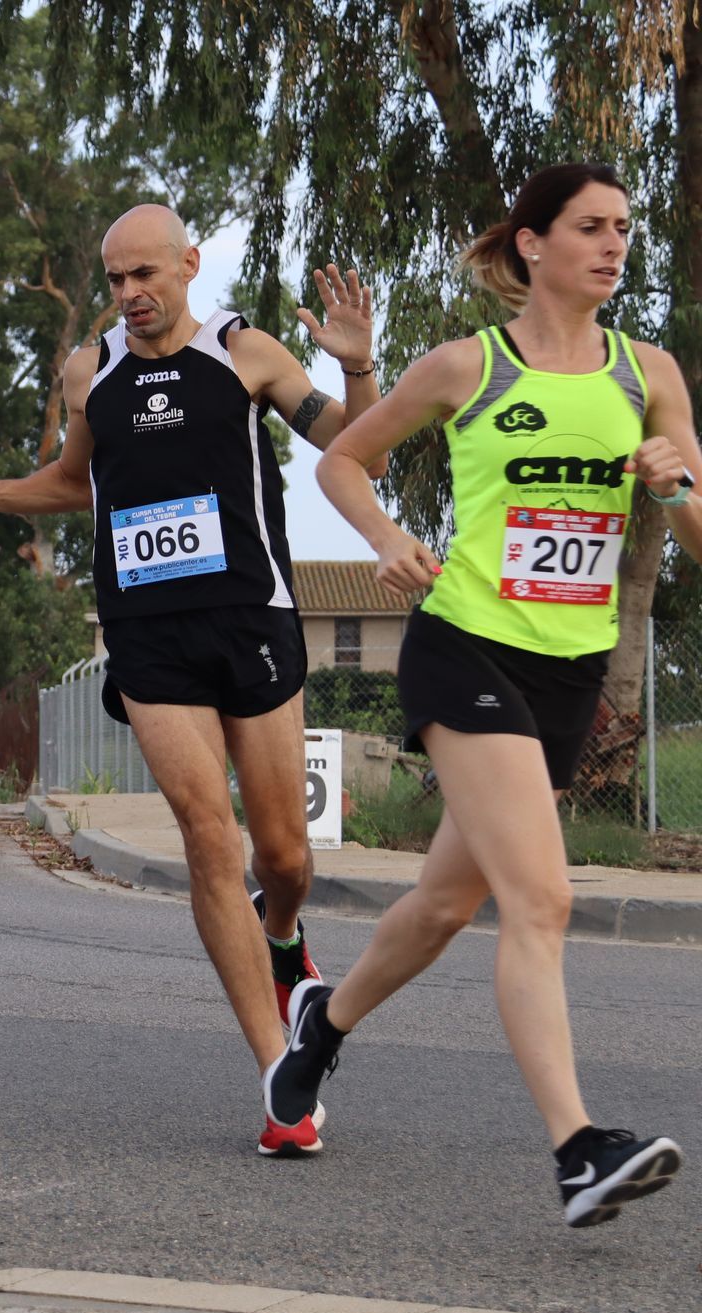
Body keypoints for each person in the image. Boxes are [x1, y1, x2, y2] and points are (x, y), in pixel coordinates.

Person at [0, 207, 379, 1152]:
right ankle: (278, 1077)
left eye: (145, 275)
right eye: (116, 278)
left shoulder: (245, 352)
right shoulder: (92, 372)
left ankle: (284, 937)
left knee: (283, 857)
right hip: (146, 631)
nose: (129, 294)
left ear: (188, 264)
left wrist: (358, 367)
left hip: (251, 616)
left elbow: (354, 441)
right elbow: (74, 481)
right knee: (209, 835)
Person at [278, 162, 689, 1222]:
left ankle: (319, 1026)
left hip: (568, 672)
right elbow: (341, 462)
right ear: (531, 244)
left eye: (623, 228)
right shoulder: (469, 365)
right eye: (589, 226)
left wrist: (676, 482)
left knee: (443, 904)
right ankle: (576, 1150)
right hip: (464, 645)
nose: (613, 244)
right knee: (539, 899)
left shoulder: (647, 374)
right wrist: (385, 540)